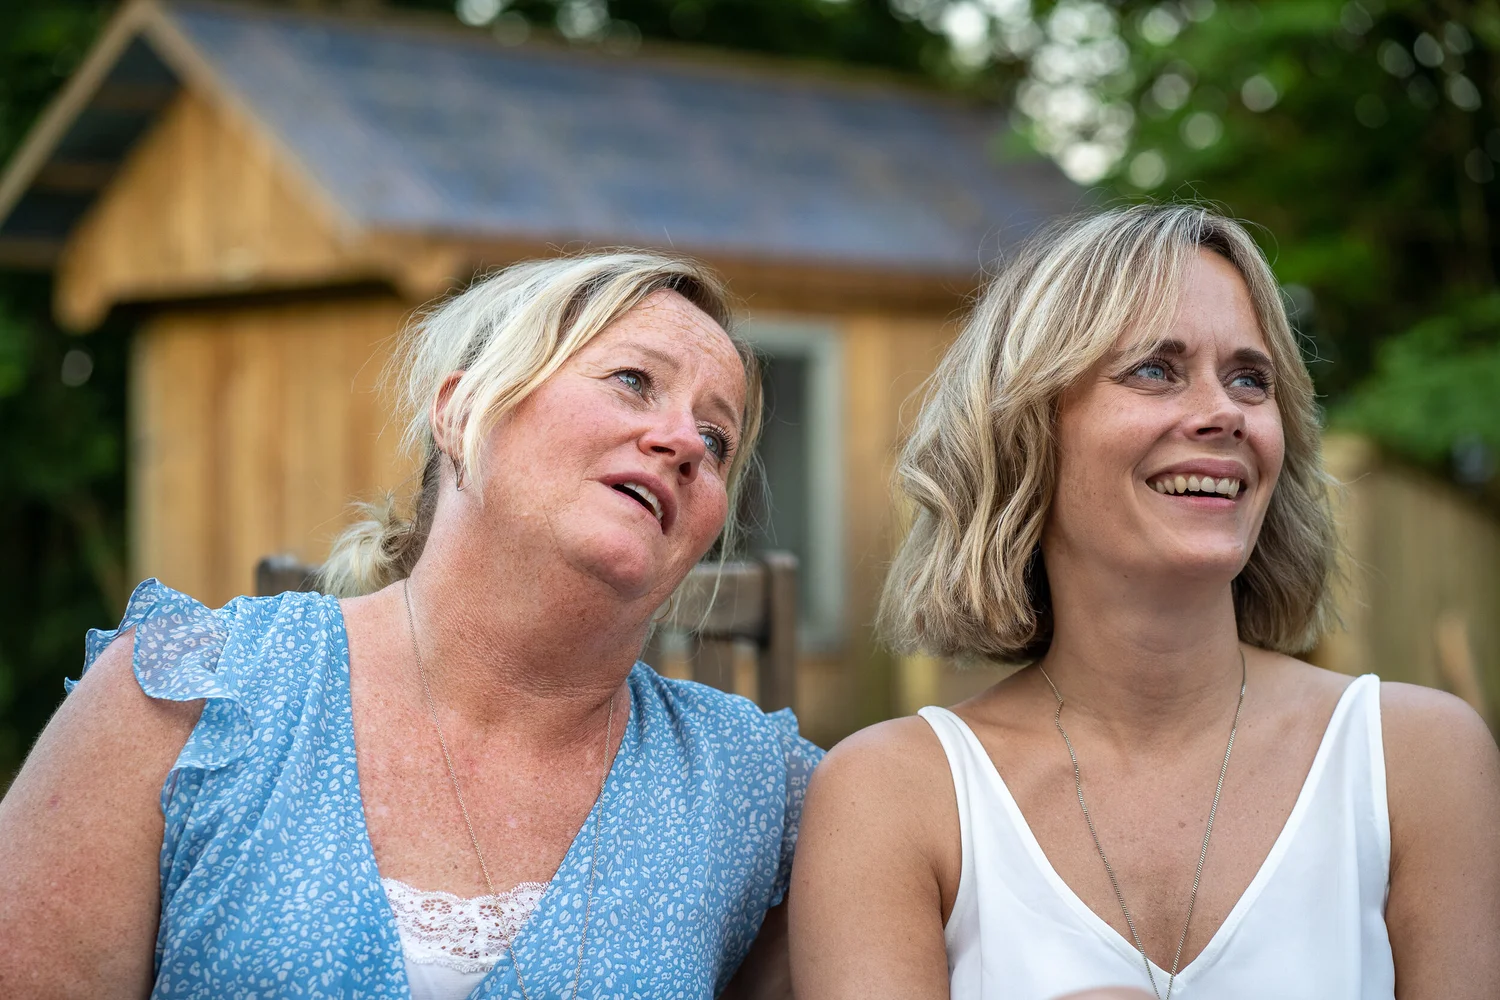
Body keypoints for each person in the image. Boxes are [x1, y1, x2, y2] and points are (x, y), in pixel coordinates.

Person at [0, 251, 821, 999]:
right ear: (463, 412)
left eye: (716, 438)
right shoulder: (184, 694)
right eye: (634, 380)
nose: (683, 442)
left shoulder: (759, 790)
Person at [788, 206, 1500, 1000]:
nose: (1224, 413)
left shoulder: (1414, 760)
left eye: (1250, 379)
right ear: (1024, 430)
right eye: (1156, 370)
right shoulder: (891, 794)